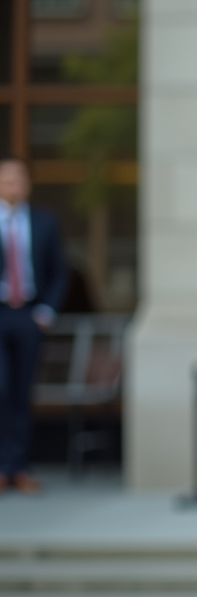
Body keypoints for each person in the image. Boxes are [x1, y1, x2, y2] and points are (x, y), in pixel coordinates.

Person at [0, 156, 68, 496]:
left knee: (21, 393)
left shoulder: (44, 222)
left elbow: (59, 270)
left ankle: (19, 467)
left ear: (27, 184)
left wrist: (46, 312)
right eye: (6, 179)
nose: (12, 185)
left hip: (28, 315)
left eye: (18, 179)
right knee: (0, 388)